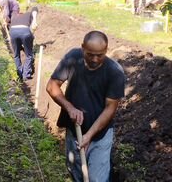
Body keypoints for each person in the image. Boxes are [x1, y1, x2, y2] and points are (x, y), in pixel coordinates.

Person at [46, 31, 125, 182]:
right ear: (83, 48)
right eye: (90, 54)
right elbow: (52, 86)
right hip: (74, 131)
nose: (95, 59)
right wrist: (70, 108)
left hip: (100, 135)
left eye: (100, 55)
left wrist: (89, 136)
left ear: (106, 50)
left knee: (97, 178)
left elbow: (110, 108)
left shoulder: (114, 72)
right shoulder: (72, 58)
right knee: (76, 173)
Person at [9, 7, 38, 81]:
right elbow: (35, 8)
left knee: (16, 55)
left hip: (12, 32)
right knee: (29, 55)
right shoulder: (29, 14)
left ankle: (20, 73)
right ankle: (26, 74)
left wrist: (20, 46)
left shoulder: (15, 17)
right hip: (25, 31)